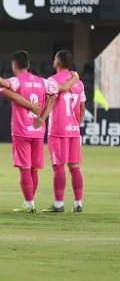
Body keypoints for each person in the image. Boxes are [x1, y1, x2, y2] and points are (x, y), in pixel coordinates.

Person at [0, 51, 58, 213]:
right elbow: (54, 95)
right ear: (28, 64)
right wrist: (43, 117)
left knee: (24, 168)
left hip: (21, 130)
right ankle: (31, 202)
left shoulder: (16, 81)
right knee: (34, 169)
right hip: (38, 130)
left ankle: (29, 203)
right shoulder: (43, 82)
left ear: (14, 65)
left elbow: (1, 84)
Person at [44, 50, 85, 212]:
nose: (53, 61)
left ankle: (59, 204)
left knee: (59, 167)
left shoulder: (52, 81)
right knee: (75, 167)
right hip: (73, 130)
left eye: (55, 58)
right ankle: (78, 203)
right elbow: (82, 109)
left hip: (58, 130)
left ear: (58, 62)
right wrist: (75, 124)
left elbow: (53, 97)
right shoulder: (80, 83)